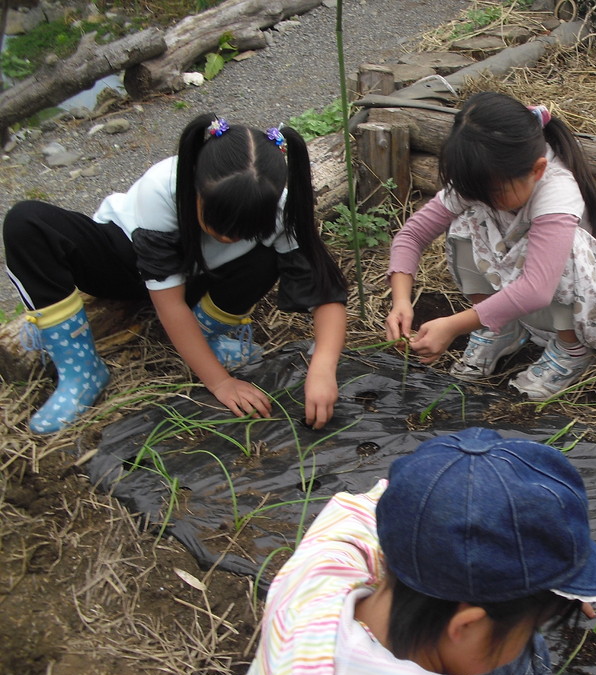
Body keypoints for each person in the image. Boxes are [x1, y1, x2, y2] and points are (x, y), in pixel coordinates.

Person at [207, 427, 596, 675]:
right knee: (532, 654)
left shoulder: (311, 585)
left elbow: (366, 507)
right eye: (530, 621)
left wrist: (456, 490)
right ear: (467, 624)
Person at [3, 113, 348, 434]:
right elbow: (169, 303)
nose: (227, 238)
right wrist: (220, 383)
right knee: (27, 221)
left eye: (242, 231)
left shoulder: (281, 206)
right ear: (195, 187)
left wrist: (322, 368)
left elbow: (325, 291)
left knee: (269, 257)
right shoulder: (163, 186)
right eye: (217, 224)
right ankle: (81, 371)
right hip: (124, 262)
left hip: (201, 277)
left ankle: (205, 335)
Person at [385, 91, 596, 401]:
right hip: (531, 298)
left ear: (536, 171)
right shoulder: (486, 180)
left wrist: (455, 325)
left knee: (567, 248)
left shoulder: (557, 188)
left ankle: (571, 349)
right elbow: (412, 236)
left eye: (493, 194)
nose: (485, 199)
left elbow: (537, 288)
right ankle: (500, 328)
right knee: (467, 221)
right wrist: (401, 301)